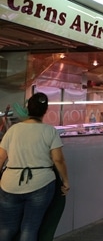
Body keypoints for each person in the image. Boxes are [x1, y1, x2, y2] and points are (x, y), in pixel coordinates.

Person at [0, 92, 70, 241]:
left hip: (9, 184)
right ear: (45, 111)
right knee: (29, 228)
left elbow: (1, 157)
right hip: (41, 184)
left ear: (28, 109)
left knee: (6, 228)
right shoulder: (50, 131)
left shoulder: (13, 130)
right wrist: (65, 181)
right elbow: (58, 160)